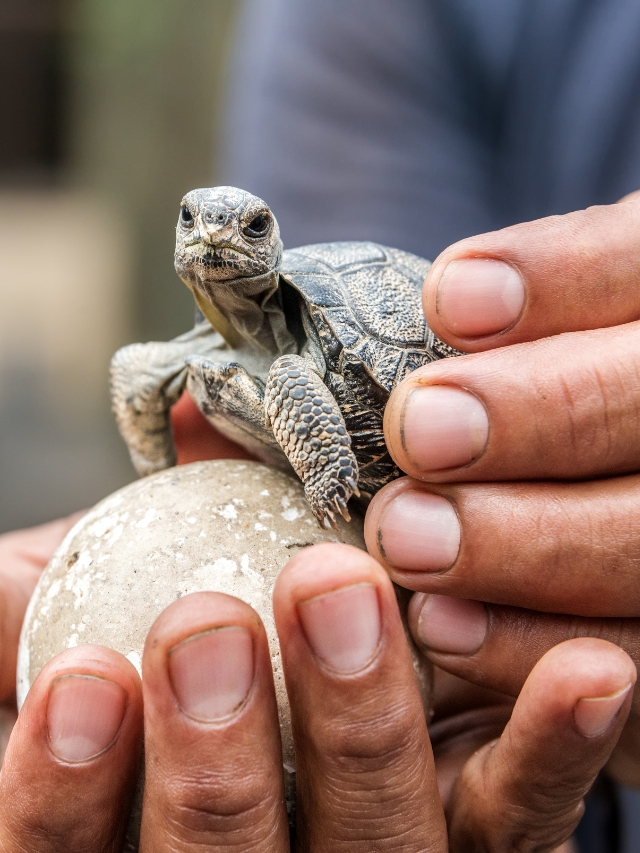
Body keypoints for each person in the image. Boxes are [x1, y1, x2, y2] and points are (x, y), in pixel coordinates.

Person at [2, 0, 640, 848]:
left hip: (429, 474)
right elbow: (139, 378)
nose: (221, 240)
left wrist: (331, 508)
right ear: (180, 233)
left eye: (250, 227)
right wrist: (163, 487)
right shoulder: (360, 24)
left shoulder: (300, 366)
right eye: (199, 222)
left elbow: (306, 392)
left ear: (271, 240)